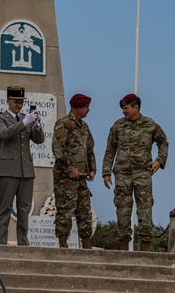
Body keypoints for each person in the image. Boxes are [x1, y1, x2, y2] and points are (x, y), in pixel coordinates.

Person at [101, 93, 168, 251]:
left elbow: (163, 142)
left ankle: (144, 248)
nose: (123, 111)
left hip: (142, 174)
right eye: (123, 108)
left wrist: (159, 160)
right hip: (122, 175)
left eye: (126, 108)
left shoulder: (150, 124)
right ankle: (124, 247)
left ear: (136, 107)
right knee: (123, 210)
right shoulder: (117, 126)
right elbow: (110, 150)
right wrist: (106, 172)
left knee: (145, 210)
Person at [0, 86, 46, 245]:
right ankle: (2, 242)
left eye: (21, 102)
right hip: (8, 169)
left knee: (24, 209)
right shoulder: (0, 118)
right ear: (8, 101)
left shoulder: (26, 118)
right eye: (16, 101)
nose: (19, 105)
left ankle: (23, 242)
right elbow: (5, 134)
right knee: (5, 208)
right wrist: (24, 123)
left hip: (26, 169)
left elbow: (39, 140)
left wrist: (36, 126)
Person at [52, 93, 96, 249]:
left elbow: (90, 149)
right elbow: (58, 149)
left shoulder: (84, 127)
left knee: (85, 211)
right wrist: (69, 169)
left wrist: (92, 169)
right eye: (86, 107)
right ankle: (63, 244)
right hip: (65, 179)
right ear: (77, 107)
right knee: (65, 211)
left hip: (81, 178)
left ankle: (87, 245)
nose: (88, 110)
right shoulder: (63, 124)